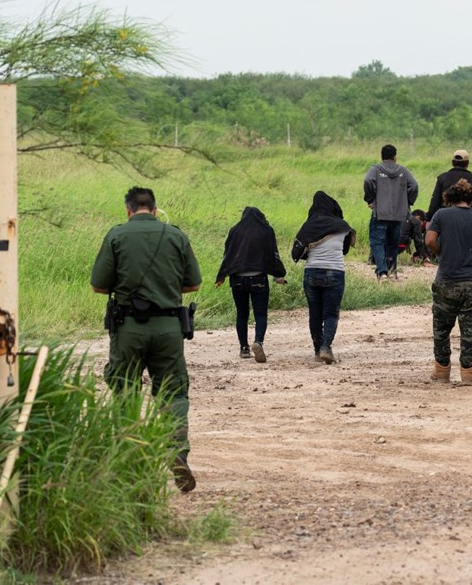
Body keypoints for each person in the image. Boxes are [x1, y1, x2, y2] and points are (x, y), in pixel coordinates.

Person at [91, 186, 202, 493]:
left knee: (125, 391)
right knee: (173, 393)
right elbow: (193, 284)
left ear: (128, 210)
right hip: (168, 328)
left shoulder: (116, 236)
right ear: (155, 209)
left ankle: (128, 461)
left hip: (128, 329)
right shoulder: (176, 236)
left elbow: (99, 286)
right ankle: (177, 454)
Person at [426, 179, 472, 386]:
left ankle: (442, 372)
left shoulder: (441, 215)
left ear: (449, 198)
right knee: (469, 330)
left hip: (446, 281)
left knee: (441, 328)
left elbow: (430, 240)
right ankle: (468, 374)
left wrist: (443, 253)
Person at [214, 207, 287, 363]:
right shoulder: (266, 231)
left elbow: (228, 255)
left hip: (238, 280)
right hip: (259, 279)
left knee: (242, 314)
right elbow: (273, 255)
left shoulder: (235, 230)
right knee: (260, 314)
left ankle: (244, 348)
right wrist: (278, 276)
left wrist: (221, 276)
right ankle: (258, 342)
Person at [292, 191, 356, 364]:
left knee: (315, 314)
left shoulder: (308, 226)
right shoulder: (342, 225)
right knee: (331, 314)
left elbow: (296, 252)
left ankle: (316, 350)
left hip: (312, 272)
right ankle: (326, 348)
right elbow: (344, 250)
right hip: (335, 272)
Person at [363, 144, 418, 280]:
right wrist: (407, 201)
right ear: (395, 156)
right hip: (398, 213)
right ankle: (392, 271)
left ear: (382, 156)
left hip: (380, 213)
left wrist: (371, 198)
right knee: (393, 242)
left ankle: (382, 272)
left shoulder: (375, 169)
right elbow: (414, 185)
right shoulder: (403, 171)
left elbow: (368, 181)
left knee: (377, 242)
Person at [426, 149, 472, 221]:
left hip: (446, 220)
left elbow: (434, 205)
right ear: (467, 163)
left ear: (452, 163)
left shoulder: (443, 178)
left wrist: (429, 218)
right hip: (467, 220)